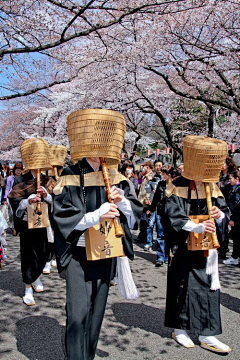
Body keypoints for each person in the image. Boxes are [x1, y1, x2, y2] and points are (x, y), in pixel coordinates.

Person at [53, 109, 142, 360]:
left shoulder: (116, 175)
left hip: (106, 251)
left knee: (96, 313)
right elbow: (60, 216)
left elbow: (136, 216)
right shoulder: (70, 174)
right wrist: (95, 216)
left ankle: (87, 356)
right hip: (79, 253)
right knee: (78, 312)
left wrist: (122, 201)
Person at [162, 135, 231, 354]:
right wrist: (196, 226)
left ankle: (207, 332)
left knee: (209, 288)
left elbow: (225, 211)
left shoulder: (212, 185)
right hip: (183, 247)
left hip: (207, 249)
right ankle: (179, 328)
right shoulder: (177, 186)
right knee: (182, 285)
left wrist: (220, 215)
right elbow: (171, 216)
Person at [9, 139, 53, 306]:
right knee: (28, 254)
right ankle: (28, 286)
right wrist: (27, 201)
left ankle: (37, 276)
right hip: (28, 224)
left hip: (44, 223)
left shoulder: (48, 180)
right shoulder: (21, 182)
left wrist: (47, 197)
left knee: (44, 252)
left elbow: (57, 202)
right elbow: (15, 203)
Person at [149, 165, 178, 266]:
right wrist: (151, 209)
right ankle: (160, 257)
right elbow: (156, 198)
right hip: (161, 212)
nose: (162, 175)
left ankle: (168, 255)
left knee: (170, 236)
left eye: (163, 173)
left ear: (169, 175)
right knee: (160, 235)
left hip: (172, 214)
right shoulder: (161, 184)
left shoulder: (176, 184)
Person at [144, 160, 163, 252]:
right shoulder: (152, 177)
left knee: (160, 227)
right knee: (150, 224)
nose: (158, 167)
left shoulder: (164, 178)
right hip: (153, 204)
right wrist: (148, 181)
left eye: (160, 165)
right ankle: (148, 243)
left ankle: (159, 245)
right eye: (156, 166)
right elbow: (147, 190)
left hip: (162, 206)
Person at [223, 170, 240, 265]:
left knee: (236, 238)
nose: (229, 180)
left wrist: (233, 218)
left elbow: (236, 205)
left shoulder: (237, 189)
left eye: (231, 178)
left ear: (237, 178)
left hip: (237, 218)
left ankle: (235, 256)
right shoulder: (234, 188)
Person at [136, 160, 154, 243]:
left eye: (144, 166)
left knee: (145, 220)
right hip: (141, 200)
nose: (142, 168)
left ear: (148, 167)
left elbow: (149, 189)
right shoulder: (144, 176)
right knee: (142, 220)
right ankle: (142, 235)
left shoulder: (150, 177)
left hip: (145, 202)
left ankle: (144, 237)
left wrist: (147, 198)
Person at [4, 162, 23, 235]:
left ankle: (19, 229)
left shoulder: (23, 178)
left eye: (20, 170)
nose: (18, 171)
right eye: (17, 169)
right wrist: (6, 198)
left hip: (20, 198)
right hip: (11, 198)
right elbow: (7, 188)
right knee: (12, 213)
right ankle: (14, 228)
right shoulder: (10, 178)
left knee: (20, 213)